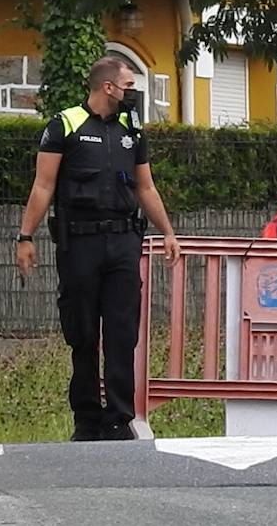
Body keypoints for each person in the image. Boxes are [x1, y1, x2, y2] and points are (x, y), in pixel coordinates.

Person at [15, 56, 180, 441]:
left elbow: (146, 187)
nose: (132, 93)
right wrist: (26, 237)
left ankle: (119, 419)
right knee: (83, 332)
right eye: (128, 85)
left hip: (123, 241)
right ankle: (87, 420)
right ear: (108, 87)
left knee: (123, 333)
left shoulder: (131, 129)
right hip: (80, 243)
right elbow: (43, 186)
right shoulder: (65, 125)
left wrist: (168, 231)